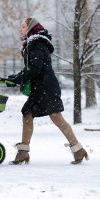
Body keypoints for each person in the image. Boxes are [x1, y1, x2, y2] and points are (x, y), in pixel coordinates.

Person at [6, 17, 89, 165]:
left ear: (31, 28)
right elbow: (31, 68)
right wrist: (17, 77)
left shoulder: (36, 44)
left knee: (54, 117)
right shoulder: (32, 44)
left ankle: (77, 149)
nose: (20, 29)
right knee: (31, 114)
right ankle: (24, 151)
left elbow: (35, 69)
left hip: (45, 88)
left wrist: (18, 79)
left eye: (23, 27)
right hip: (42, 87)